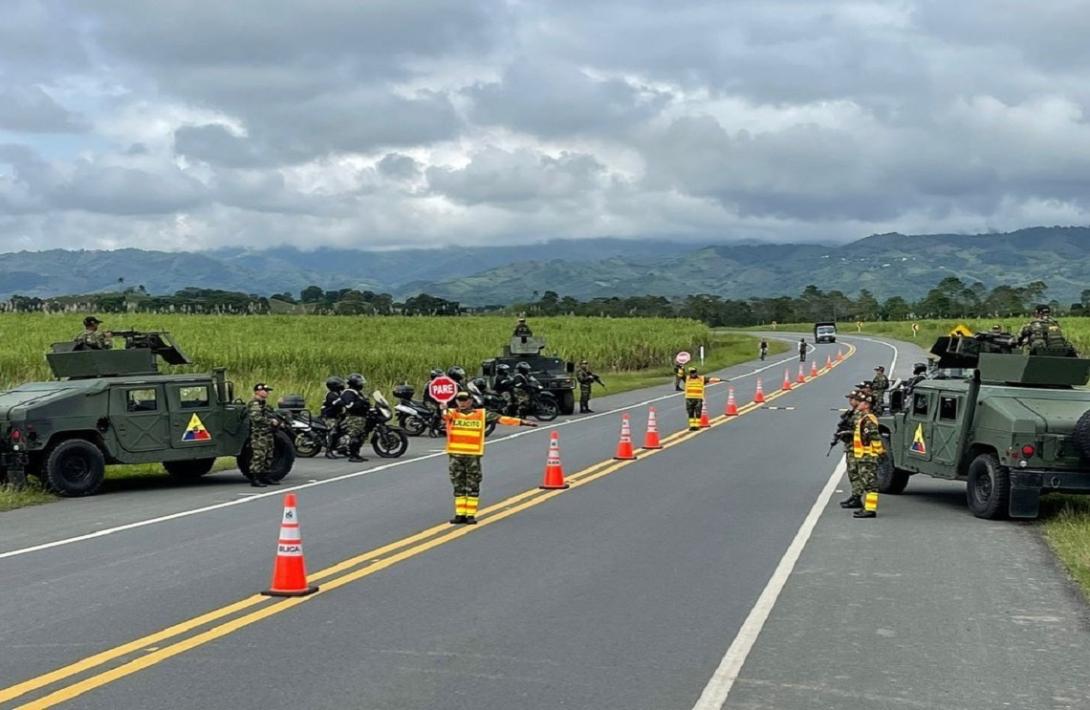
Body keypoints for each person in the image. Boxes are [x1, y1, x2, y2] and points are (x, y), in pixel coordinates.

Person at [445, 391, 537, 524]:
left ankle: (470, 514)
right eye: (459, 399)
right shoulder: (451, 413)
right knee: (458, 484)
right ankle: (460, 514)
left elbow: (502, 419)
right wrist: (441, 407)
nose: (462, 402)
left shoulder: (481, 414)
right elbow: (441, 416)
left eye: (465, 399)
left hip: (473, 456)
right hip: (455, 455)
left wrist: (522, 422)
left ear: (471, 400)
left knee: (472, 484)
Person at [851, 394, 883, 519]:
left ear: (867, 405)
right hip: (863, 456)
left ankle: (870, 509)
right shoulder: (864, 418)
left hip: (868, 456)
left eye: (861, 402)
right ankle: (867, 507)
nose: (859, 404)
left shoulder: (869, 420)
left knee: (870, 484)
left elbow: (874, 437)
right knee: (866, 483)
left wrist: (880, 452)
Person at [246, 383, 280, 488]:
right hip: (259, 434)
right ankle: (255, 478)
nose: (267, 393)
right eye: (265, 391)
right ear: (258, 391)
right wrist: (271, 421)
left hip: (267, 433)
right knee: (259, 455)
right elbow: (256, 418)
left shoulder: (263, 404)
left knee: (268, 455)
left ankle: (265, 476)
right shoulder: (254, 404)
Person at [837, 391, 864, 509]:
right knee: (852, 473)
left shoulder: (859, 415)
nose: (850, 401)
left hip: (856, 448)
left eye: (852, 399)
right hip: (851, 447)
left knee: (855, 473)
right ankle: (854, 495)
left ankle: (857, 497)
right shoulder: (852, 413)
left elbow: (861, 432)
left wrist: (847, 432)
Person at [339, 373, 372, 463]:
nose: (362, 385)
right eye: (360, 383)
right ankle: (353, 456)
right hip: (354, 417)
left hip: (361, 417)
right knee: (354, 436)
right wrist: (362, 403)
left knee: (360, 436)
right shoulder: (348, 393)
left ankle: (356, 454)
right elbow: (350, 406)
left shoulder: (357, 392)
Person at [320, 376, 346, 459]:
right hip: (329, 417)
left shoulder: (338, 394)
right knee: (333, 431)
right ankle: (329, 451)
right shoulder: (331, 395)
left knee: (344, 429)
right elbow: (338, 403)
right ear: (334, 386)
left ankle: (342, 448)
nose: (341, 385)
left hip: (336, 416)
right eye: (339, 384)